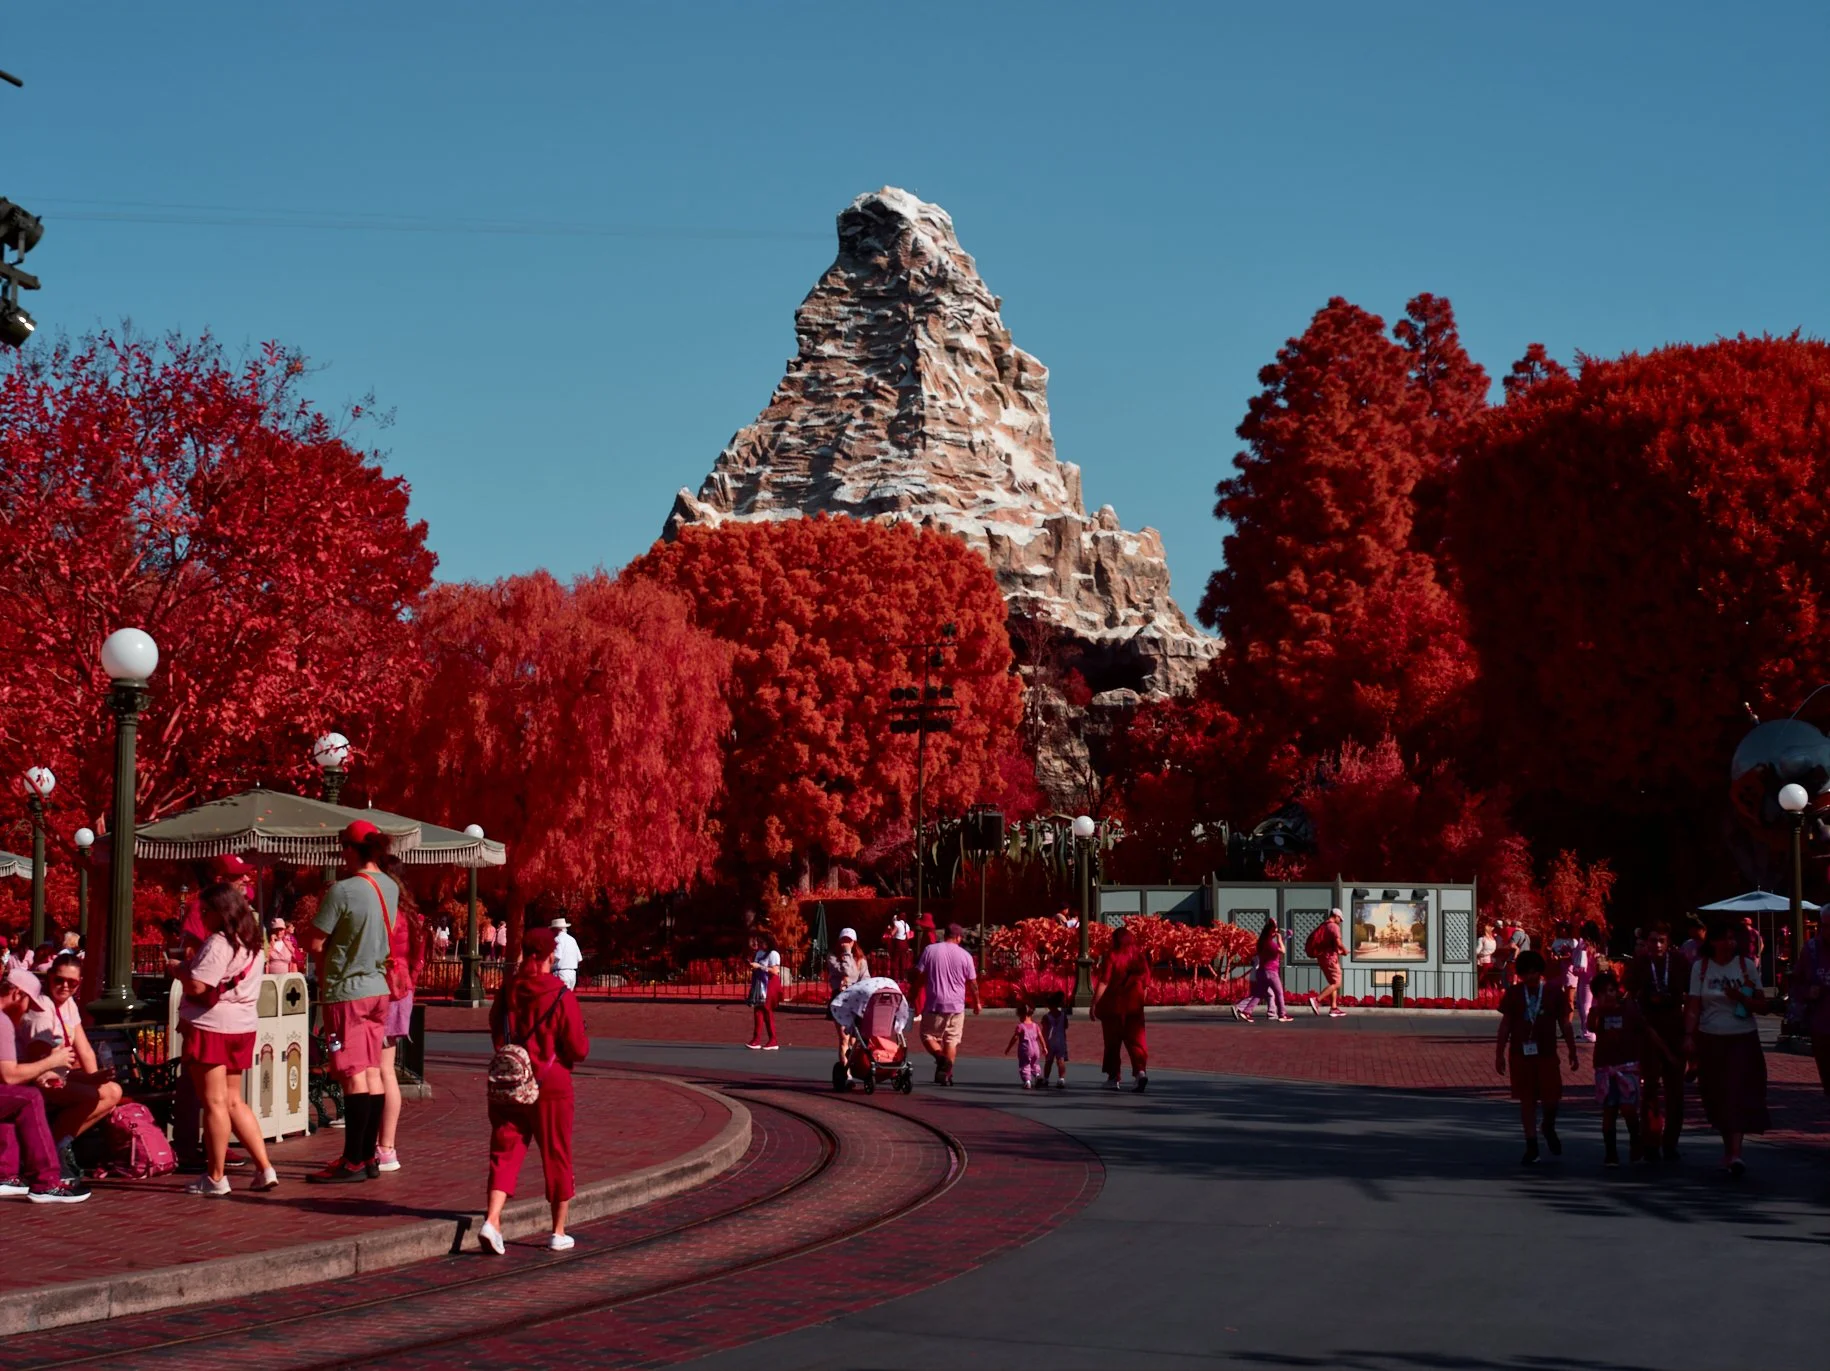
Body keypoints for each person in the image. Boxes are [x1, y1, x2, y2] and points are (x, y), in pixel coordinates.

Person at [480, 927, 589, 1255]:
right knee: (556, 1153)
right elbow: (578, 1048)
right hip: (551, 1083)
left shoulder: (509, 990)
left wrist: (514, 1056)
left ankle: (493, 1219)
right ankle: (557, 1231)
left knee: (505, 1148)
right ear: (549, 956)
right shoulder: (560, 994)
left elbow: (495, 1028)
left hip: (513, 1080)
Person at [304, 820, 400, 1184]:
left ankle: (353, 1160)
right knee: (373, 1070)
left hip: (347, 991)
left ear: (351, 849)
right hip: (378, 988)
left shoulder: (343, 891)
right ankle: (369, 1156)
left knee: (352, 1074)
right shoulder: (389, 886)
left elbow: (315, 942)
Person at [178, 882, 280, 1196]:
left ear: (220, 912)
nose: (203, 917)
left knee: (214, 1102)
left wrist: (178, 971)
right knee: (234, 1100)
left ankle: (216, 1176)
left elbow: (198, 986)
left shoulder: (219, 943)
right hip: (242, 1025)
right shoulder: (252, 943)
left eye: (205, 911)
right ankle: (265, 1167)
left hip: (212, 1025)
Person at [20, 952, 122, 1178]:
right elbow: (39, 1063)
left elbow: (84, 1047)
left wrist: (96, 1077)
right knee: (91, 1096)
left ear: (79, 983)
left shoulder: (69, 1005)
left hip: (60, 1077)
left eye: (72, 982)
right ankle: (49, 1151)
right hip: (36, 1079)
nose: (65, 986)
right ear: (50, 978)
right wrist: (89, 1084)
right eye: (59, 980)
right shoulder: (41, 1010)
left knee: (112, 1091)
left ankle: (58, 1143)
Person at [1686, 917, 1769, 1177]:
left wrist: (1741, 997)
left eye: (1734, 938)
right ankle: (1727, 1149)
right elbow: (1693, 1006)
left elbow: (1762, 1005)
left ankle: (1736, 1153)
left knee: (1738, 1094)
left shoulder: (1746, 966)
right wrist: (1689, 1035)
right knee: (1717, 1095)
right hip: (1711, 1038)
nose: (1730, 943)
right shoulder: (1701, 968)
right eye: (1725, 938)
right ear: (1713, 941)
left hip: (1742, 1038)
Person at [0, 967, 91, 1202]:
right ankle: (46, 1182)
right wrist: (52, 1061)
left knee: (17, 1096)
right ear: (18, 994)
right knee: (29, 1097)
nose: (28, 1011)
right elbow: (9, 1075)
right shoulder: (2, 1022)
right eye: (28, 1004)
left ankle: (5, 1174)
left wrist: (40, 1074)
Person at [1494, 949, 1579, 1165]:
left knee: (1552, 1100)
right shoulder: (1514, 993)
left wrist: (1572, 1050)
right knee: (1527, 1101)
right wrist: (1499, 1054)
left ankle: (1548, 1126)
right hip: (1521, 1055)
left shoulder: (1553, 992)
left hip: (1547, 1054)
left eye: (1534, 973)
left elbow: (1565, 1023)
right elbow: (1505, 1025)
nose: (1530, 977)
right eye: (1526, 974)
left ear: (1540, 972)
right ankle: (1531, 1145)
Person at [1586, 969, 1673, 1167]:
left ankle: (1636, 1139)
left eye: (1610, 990)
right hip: (1605, 1068)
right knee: (1609, 1111)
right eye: (1601, 992)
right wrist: (1597, 1011)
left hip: (1628, 1067)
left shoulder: (1629, 1008)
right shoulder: (1598, 1012)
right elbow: (1591, 1027)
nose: (1607, 995)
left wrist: (1666, 1053)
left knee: (1628, 1109)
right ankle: (1611, 1152)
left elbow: (1646, 1030)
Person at [374, 859, 429, 1175]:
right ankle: (386, 1145)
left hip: (385, 990)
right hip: (402, 990)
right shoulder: (409, 914)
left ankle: (384, 1146)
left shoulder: (387, 914)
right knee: (386, 1069)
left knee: (378, 1070)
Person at [1629, 921, 1689, 1161]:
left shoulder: (1679, 963)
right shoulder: (1640, 963)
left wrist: (1689, 1034)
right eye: (1652, 940)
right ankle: (1651, 1141)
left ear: (1668, 942)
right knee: (1651, 1088)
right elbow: (1631, 996)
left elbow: (1689, 995)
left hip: (1674, 1028)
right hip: (1648, 1029)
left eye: (1661, 940)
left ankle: (1671, 1142)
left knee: (1676, 1090)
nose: (1656, 945)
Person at [913, 923, 980, 1086]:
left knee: (927, 1035)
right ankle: (946, 1073)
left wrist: (915, 992)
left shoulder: (930, 950)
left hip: (935, 1002)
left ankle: (941, 1060)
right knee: (951, 1039)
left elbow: (919, 974)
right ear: (958, 937)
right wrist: (977, 1002)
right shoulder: (965, 956)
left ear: (945, 935)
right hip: (956, 1005)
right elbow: (972, 982)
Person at [1092, 925, 1151, 1091]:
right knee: (1137, 1042)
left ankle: (1113, 1077)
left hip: (1114, 1005)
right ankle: (1140, 1073)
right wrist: (1140, 1002)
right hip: (1134, 1006)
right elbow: (1146, 984)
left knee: (1112, 1043)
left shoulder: (1112, 955)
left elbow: (1104, 981)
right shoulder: (1139, 957)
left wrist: (1094, 1003)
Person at [1795, 908, 1830, 1102]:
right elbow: (1796, 984)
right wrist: (1807, 992)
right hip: (1822, 1027)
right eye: (1827, 926)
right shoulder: (1812, 949)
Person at [1234, 916, 1291, 1023]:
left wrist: (1285, 937)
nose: (1276, 932)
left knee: (1259, 994)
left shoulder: (1262, 942)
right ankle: (1282, 1014)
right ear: (1270, 931)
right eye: (1275, 930)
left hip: (1262, 971)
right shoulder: (1270, 943)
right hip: (1271, 972)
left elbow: (1276, 949)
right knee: (1279, 993)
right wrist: (1280, 938)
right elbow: (1282, 951)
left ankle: (1246, 1012)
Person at [825, 928, 869, 1060]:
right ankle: (846, 1074)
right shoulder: (832, 957)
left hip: (856, 1000)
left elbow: (864, 978)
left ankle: (854, 1067)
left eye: (849, 941)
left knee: (854, 1040)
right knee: (844, 1038)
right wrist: (847, 953)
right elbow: (847, 972)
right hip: (840, 999)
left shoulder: (861, 959)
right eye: (843, 940)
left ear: (854, 942)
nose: (845, 943)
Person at [1309, 909, 1348, 1018]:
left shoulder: (1323, 926)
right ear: (1335, 916)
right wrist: (1344, 950)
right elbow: (1339, 943)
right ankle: (1317, 1000)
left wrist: (1339, 951)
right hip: (1330, 959)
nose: (1340, 921)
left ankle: (1334, 1008)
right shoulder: (1334, 927)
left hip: (1322, 958)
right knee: (1337, 983)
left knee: (1332, 982)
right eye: (1340, 918)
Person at [746, 932, 781, 1051]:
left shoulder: (773, 954)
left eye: (762, 941)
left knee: (767, 1010)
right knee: (758, 1010)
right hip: (760, 984)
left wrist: (760, 967)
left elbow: (775, 971)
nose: (759, 944)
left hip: (770, 983)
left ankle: (773, 1039)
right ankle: (756, 1039)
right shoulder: (760, 953)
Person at [1006, 1002, 1045, 1089]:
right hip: (1036, 1049)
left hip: (1026, 1049)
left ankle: (1027, 1081)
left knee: (1025, 1064)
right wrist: (1044, 1047)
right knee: (1035, 1064)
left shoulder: (1021, 1026)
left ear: (1022, 1015)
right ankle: (1038, 1075)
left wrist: (1008, 1048)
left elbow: (1015, 1038)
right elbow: (1040, 1036)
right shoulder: (1035, 1025)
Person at [1040, 992, 1070, 1089]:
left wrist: (1043, 1043)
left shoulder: (1046, 1017)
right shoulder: (1063, 1015)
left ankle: (1046, 1079)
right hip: (1060, 1041)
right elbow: (1066, 1026)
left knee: (1048, 1061)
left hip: (1050, 1042)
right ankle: (1061, 1079)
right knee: (1060, 1061)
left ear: (1049, 1005)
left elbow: (1044, 1030)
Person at [550, 918, 582, 991]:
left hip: (561, 973)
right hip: (572, 973)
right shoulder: (572, 940)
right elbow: (579, 958)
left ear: (557, 929)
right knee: (568, 997)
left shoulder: (557, 939)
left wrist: (549, 966)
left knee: (559, 997)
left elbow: (557, 956)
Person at [886, 912, 913, 982]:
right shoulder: (906, 925)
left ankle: (895, 977)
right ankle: (902, 977)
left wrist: (889, 929)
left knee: (896, 960)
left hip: (898, 943)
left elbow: (892, 933)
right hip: (905, 944)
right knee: (903, 961)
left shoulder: (897, 923)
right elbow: (908, 937)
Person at [1475, 923, 1498, 987]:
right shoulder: (1493, 940)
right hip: (1489, 960)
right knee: (1487, 977)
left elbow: (1477, 950)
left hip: (1481, 960)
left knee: (1479, 976)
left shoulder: (1481, 939)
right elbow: (1494, 950)